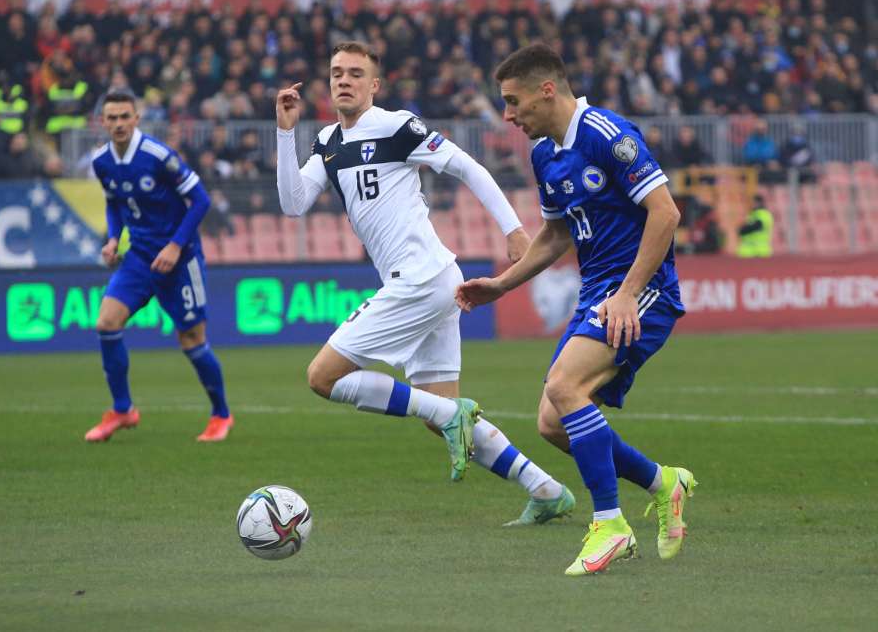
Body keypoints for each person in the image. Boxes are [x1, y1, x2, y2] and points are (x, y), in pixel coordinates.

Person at [275, 42, 574, 525]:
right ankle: (545, 488)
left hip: (420, 279)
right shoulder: (327, 142)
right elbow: (293, 204)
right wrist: (285, 133)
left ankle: (451, 415)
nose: (344, 80)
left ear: (374, 85)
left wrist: (514, 230)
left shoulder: (396, 126)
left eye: (355, 73)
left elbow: (466, 166)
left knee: (322, 377)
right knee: (441, 412)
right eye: (336, 73)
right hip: (432, 283)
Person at [456, 43, 697, 575]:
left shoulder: (606, 135)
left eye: (513, 101)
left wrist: (628, 293)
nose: (508, 115)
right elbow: (555, 234)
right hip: (598, 292)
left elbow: (665, 213)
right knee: (552, 422)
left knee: (566, 387)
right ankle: (663, 482)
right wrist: (502, 285)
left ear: (547, 90)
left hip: (642, 290)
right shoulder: (544, 154)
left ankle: (610, 524)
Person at [85, 91, 233, 443]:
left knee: (191, 339)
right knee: (106, 323)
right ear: (102, 122)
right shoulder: (101, 161)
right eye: (112, 118)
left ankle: (221, 415)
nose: (119, 124)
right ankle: (123, 409)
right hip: (139, 257)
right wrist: (113, 238)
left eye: (125, 116)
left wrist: (175, 245)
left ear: (137, 119)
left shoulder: (157, 156)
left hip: (180, 259)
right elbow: (115, 203)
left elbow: (200, 200)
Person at [737, 193, 774, 257]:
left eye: (754, 202)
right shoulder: (752, 214)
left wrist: (743, 229)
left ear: (759, 203)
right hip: (749, 251)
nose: (752, 204)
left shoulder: (764, 214)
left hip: (760, 251)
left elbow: (757, 226)